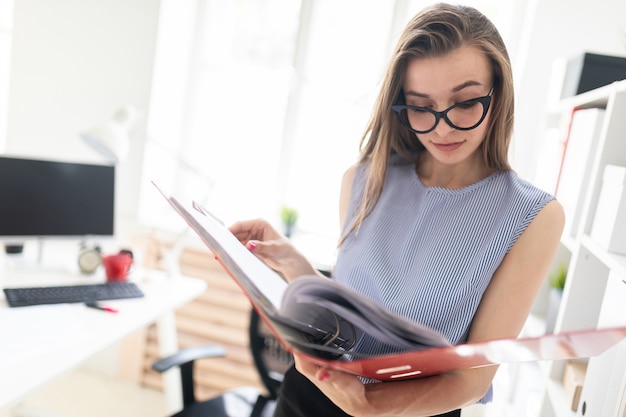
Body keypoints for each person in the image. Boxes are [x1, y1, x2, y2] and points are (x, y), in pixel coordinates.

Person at [229, 3, 564, 416]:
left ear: (498, 93)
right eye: (421, 106)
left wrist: (371, 405)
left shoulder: (533, 216)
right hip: (308, 399)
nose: (442, 127)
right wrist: (297, 267)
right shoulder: (363, 179)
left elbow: (471, 378)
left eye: (464, 102)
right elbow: (353, 317)